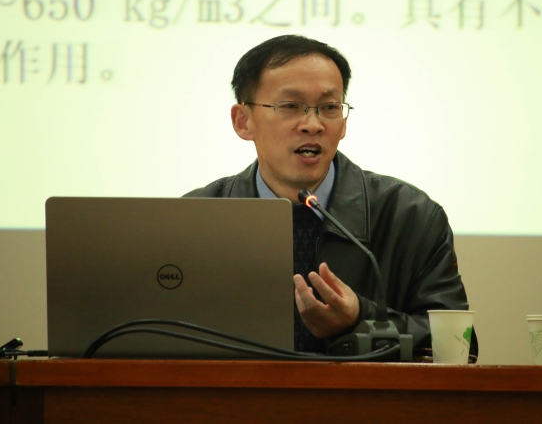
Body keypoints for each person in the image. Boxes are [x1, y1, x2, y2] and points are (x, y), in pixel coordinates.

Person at [184, 34, 472, 355]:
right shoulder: (194, 218)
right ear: (243, 121)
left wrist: (358, 320)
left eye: (329, 108)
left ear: (343, 122)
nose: (313, 124)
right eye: (290, 106)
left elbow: (459, 345)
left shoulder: (409, 214)